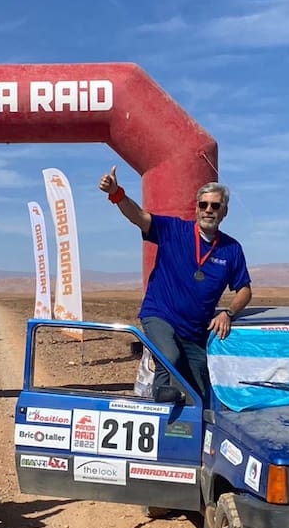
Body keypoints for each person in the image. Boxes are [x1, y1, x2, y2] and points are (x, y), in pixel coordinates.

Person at [99, 166, 252, 404]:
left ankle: (196, 426)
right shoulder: (173, 230)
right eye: (203, 205)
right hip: (161, 314)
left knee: (202, 388)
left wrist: (228, 313)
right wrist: (116, 193)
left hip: (194, 331)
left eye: (215, 206)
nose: (208, 210)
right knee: (169, 357)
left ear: (224, 212)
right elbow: (138, 216)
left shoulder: (231, 249)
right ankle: (160, 400)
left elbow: (245, 289)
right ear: (196, 208)